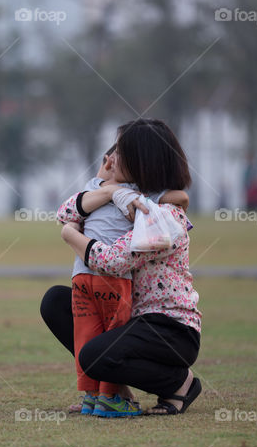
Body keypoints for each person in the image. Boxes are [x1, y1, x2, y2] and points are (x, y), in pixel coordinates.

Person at [44, 118, 202, 416]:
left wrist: (71, 235)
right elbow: (64, 211)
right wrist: (105, 189)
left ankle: (181, 383)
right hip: (127, 316)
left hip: (167, 327)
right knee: (55, 302)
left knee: (94, 355)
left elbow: (113, 262)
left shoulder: (165, 216)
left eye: (121, 152)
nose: (111, 158)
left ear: (142, 162)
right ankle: (117, 392)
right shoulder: (120, 198)